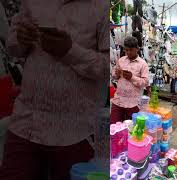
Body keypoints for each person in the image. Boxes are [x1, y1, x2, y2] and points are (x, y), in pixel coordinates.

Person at [0, 1, 108, 179]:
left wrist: (69, 51)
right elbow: (13, 47)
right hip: (26, 124)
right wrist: (20, 39)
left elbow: (107, 68)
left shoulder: (102, 7)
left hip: (76, 131)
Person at [111, 36, 149, 124]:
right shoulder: (121, 60)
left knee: (131, 130)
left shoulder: (143, 64)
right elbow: (114, 76)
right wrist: (116, 74)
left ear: (137, 49)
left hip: (133, 103)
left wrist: (132, 77)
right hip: (118, 101)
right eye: (126, 50)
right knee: (113, 127)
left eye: (131, 50)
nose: (128, 52)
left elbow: (145, 82)